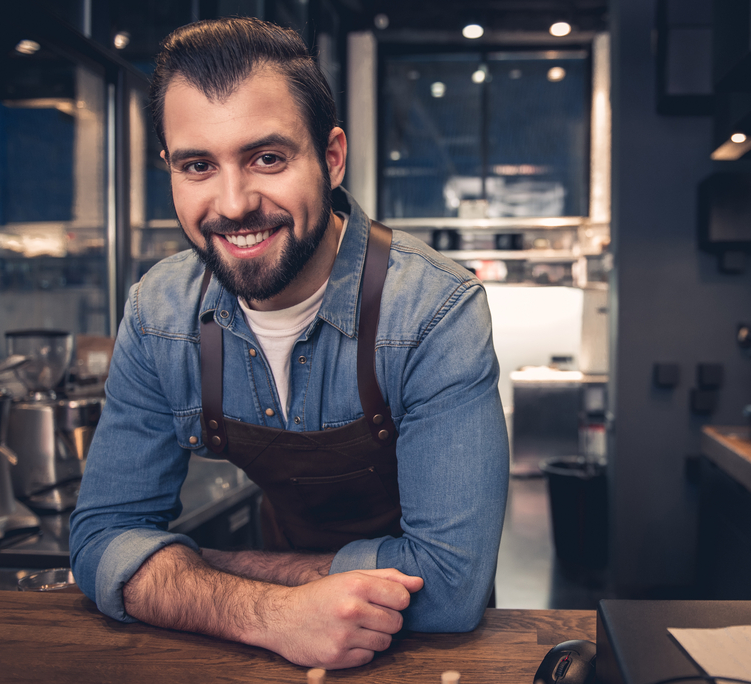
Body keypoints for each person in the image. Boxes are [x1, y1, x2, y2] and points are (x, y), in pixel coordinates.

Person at [68, 17, 509, 670]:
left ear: (331, 158)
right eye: (198, 165)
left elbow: (447, 588)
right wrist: (271, 613)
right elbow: (100, 540)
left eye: (266, 158)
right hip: (272, 646)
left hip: (427, 651)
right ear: (170, 169)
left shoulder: (432, 309)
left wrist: (196, 569)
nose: (235, 202)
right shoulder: (159, 314)